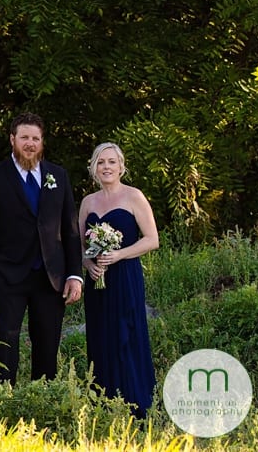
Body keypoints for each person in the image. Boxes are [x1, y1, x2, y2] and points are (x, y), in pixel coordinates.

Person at [0, 112, 83, 383]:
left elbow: (70, 229)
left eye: (35, 138)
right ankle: (3, 399)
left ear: (42, 142)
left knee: (47, 342)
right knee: (5, 343)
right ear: (13, 140)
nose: (30, 143)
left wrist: (74, 274)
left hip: (50, 277)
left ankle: (42, 398)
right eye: (24, 138)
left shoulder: (58, 175)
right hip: (8, 274)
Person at [81, 142, 159, 418]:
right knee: (101, 335)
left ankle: (135, 401)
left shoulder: (134, 196)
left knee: (127, 333)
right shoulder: (88, 202)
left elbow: (152, 240)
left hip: (125, 276)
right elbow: (80, 246)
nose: (106, 167)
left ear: (121, 166)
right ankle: (103, 400)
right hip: (97, 280)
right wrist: (89, 264)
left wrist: (118, 255)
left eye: (111, 162)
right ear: (94, 167)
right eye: (101, 162)